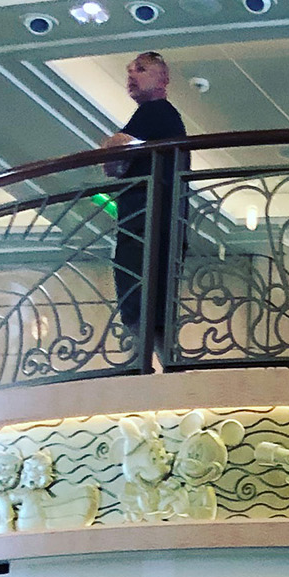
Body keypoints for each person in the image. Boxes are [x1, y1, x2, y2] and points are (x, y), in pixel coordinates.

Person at [102, 52, 188, 353]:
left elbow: (114, 154)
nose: (132, 75)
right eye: (129, 70)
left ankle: (148, 367)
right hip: (151, 219)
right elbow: (113, 165)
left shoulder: (156, 111)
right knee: (151, 300)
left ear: (163, 79)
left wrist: (114, 147)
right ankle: (156, 367)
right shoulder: (156, 116)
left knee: (140, 293)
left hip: (147, 221)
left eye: (141, 69)